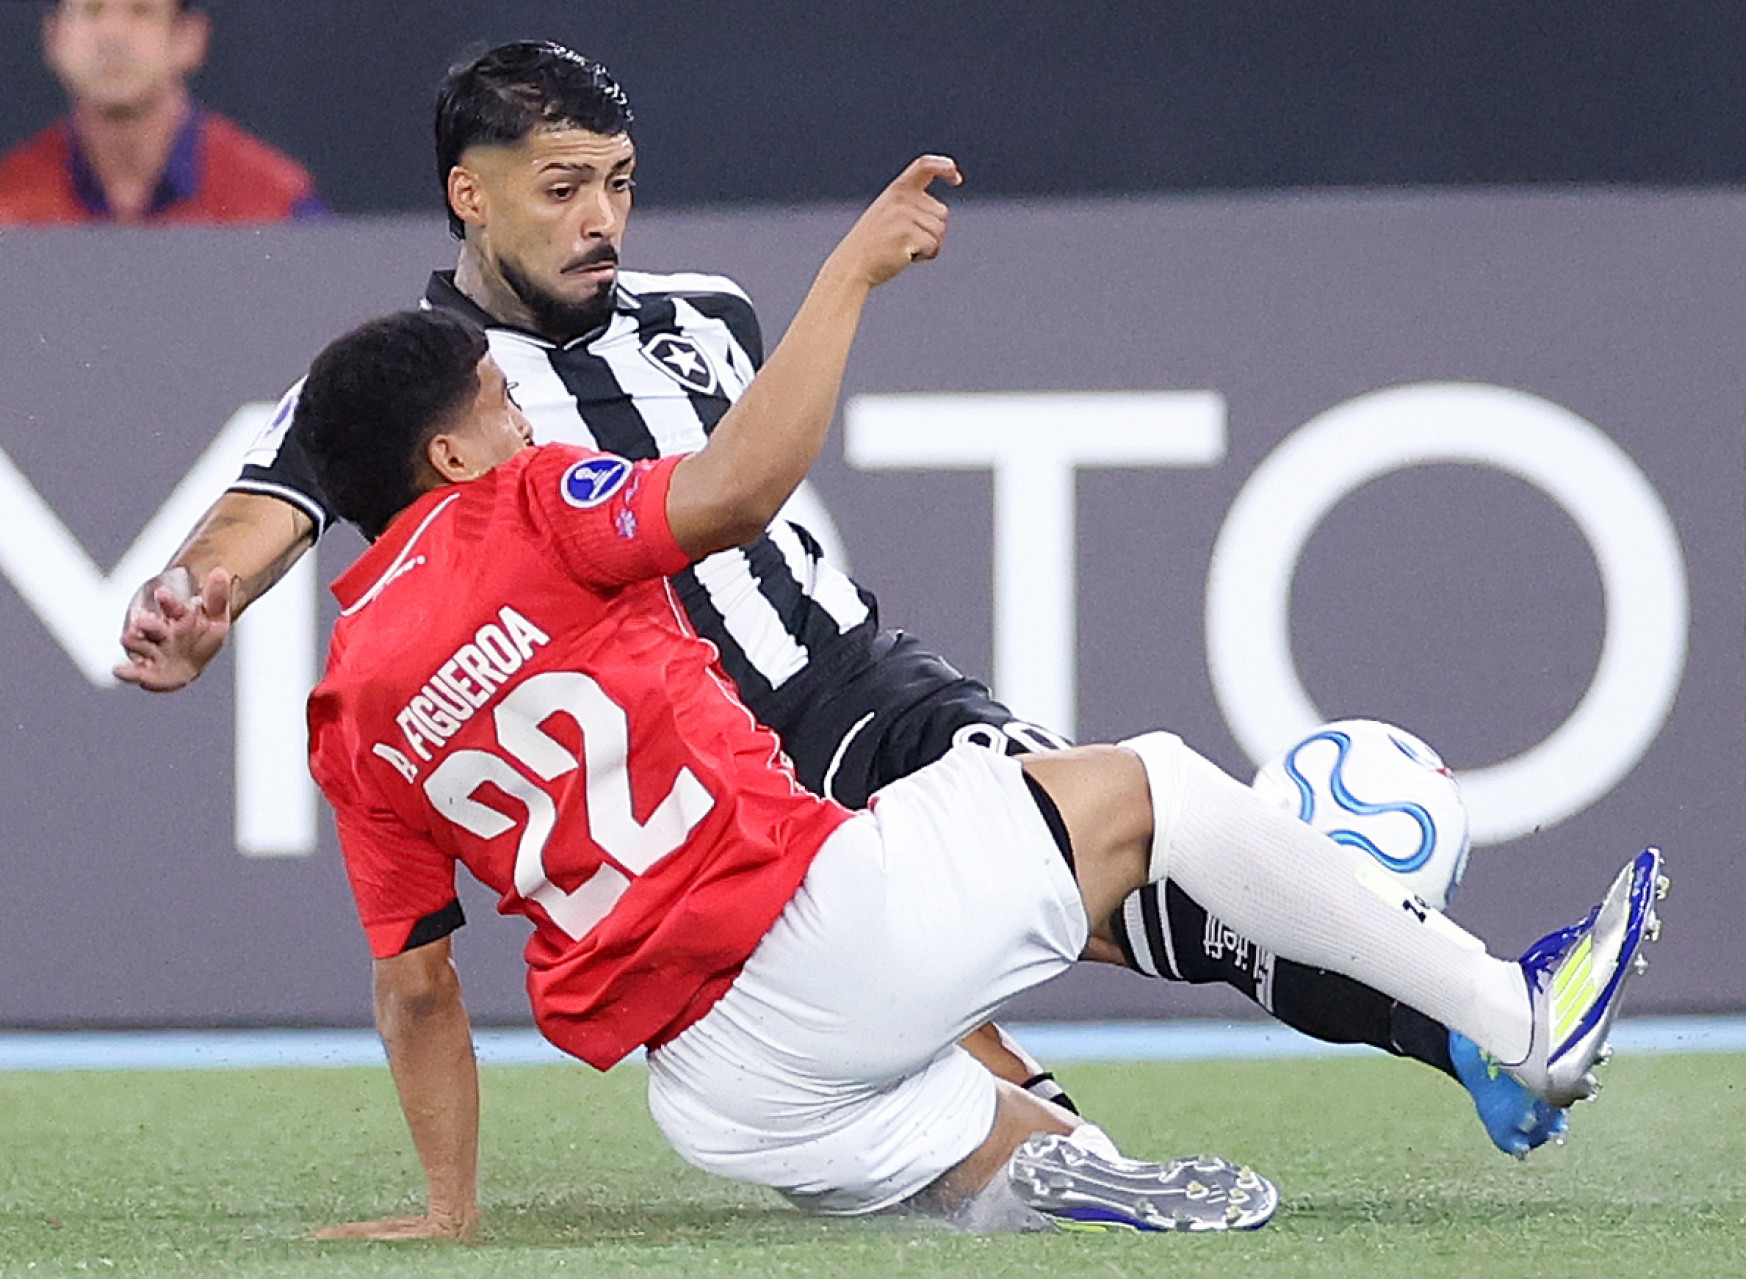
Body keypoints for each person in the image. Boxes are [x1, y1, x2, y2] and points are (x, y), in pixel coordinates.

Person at [115, 40, 1561, 1154]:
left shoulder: (707, 315)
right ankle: (1302, 1077)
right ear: (468, 194)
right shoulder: (413, 389)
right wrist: (196, 595)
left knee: (1130, 870)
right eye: (562, 189)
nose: (601, 217)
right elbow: (262, 510)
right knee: (1051, 973)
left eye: (619, 180)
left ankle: (1453, 1037)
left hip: (866, 683)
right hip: (712, 782)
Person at [288, 207, 1661, 1232]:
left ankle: (1051, 1169)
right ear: (449, 456)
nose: (526, 424)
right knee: (1153, 786)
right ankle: (1514, 1013)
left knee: (1007, 1144)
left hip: (716, 1093)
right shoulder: (528, 504)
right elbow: (733, 489)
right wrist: (849, 275)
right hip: (813, 930)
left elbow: (418, 988)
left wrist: (450, 1209)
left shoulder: (346, 705)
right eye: (500, 408)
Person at [0, 0, 323, 225]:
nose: (113, 34)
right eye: (91, 10)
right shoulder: (8, 204)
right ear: (53, 36)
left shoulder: (276, 204)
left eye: (141, 10)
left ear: (190, 38)